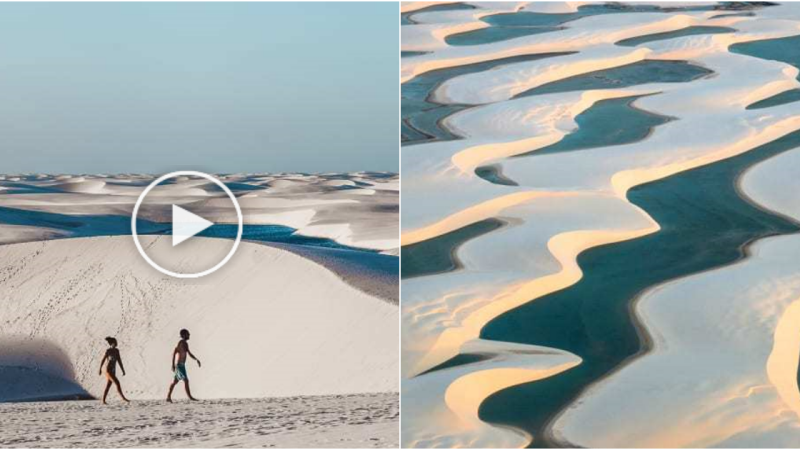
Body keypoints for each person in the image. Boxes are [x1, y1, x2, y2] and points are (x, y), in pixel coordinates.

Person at [167, 328, 201, 402]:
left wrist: (196, 359)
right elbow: (175, 352)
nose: (189, 335)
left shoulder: (184, 343)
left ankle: (168, 397)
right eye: (187, 334)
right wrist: (172, 365)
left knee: (175, 381)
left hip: (181, 365)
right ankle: (190, 397)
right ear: (184, 335)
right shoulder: (182, 343)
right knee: (185, 380)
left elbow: (187, 353)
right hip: (180, 366)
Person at [98, 337, 129, 404]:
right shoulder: (108, 351)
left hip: (113, 370)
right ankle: (123, 398)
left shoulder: (117, 351)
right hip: (108, 370)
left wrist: (123, 370)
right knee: (117, 382)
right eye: (113, 343)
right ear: (111, 344)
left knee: (108, 385)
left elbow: (119, 361)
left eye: (115, 343)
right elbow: (103, 360)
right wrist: (100, 369)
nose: (114, 344)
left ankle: (103, 400)